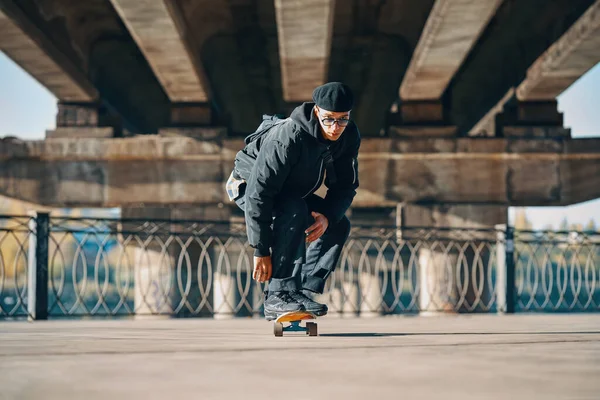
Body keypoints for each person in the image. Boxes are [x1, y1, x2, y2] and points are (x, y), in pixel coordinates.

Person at [226, 82, 361, 320]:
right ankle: (278, 295)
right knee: (294, 210)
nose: (335, 127)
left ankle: (303, 291)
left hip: (291, 192)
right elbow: (260, 192)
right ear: (317, 111)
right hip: (248, 186)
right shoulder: (288, 136)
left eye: (343, 119)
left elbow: (345, 186)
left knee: (338, 223)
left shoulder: (348, 136)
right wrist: (261, 248)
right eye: (329, 119)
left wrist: (327, 217)